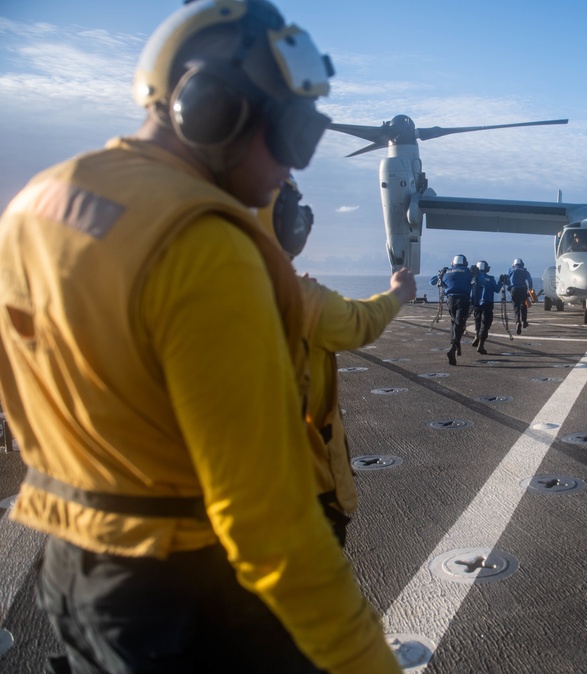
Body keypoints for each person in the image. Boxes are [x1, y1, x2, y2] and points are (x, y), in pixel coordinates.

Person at [0, 2, 402, 672]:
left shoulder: (37, 202)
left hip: (74, 572)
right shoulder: (204, 246)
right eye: (291, 135)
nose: (289, 170)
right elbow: (270, 525)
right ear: (212, 108)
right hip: (186, 593)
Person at [261, 179, 416, 547]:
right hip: (301, 492)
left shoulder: (195, 284)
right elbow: (358, 323)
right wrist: (398, 292)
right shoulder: (300, 298)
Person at [431, 254, 473, 364]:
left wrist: (442, 273)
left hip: (450, 301)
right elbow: (479, 282)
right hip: (463, 300)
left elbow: (433, 281)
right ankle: (454, 347)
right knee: (459, 323)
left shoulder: (446, 272)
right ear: (465, 263)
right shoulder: (468, 272)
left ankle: (453, 347)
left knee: (454, 322)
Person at [470, 260, 501, 355]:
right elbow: (497, 289)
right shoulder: (491, 279)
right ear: (486, 269)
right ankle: (481, 344)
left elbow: (471, 291)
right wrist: (501, 281)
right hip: (487, 304)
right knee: (485, 325)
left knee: (477, 321)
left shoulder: (474, 278)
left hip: (476, 304)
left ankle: (476, 335)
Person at [507, 257, 533, 334]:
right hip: (523, 289)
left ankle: (517, 321)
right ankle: (524, 321)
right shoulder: (525, 271)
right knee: (524, 306)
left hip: (514, 289)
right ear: (522, 264)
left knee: (516, 307)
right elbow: (530, 280)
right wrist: (530, 290)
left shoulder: (510, 270)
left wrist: (509, 289)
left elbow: (506, 280)